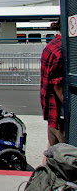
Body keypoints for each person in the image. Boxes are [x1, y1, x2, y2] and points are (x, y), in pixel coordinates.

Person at [40, 18, 65, 162]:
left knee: (50, 150)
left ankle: (42, 182)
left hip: (52, 113)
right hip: (61, 115)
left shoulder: (51, 46)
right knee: (64, 157)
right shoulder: (62, 50)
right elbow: (58, 85)